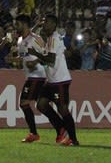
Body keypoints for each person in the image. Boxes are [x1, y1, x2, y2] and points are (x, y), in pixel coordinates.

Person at [28, 14, 79, 146]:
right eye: (43, 22)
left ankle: (73, 139)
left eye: (46, 22)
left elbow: (50, 60)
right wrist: (37, 25)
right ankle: (61, 129)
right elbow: (29, 36)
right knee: (41, 104)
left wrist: (36, 54)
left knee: (62, 109)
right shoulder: (49, 39)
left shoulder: (54, 39)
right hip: (51, 81)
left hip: (60, 80)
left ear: (53, 25)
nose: (44, 24)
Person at [10, 14, 46, 143]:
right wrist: (13, 59)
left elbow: (47, 53)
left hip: (37, 75)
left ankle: (34, 133)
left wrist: (35, 62)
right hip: (31, 76)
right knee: (42, 106)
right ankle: (61, 128)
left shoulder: (36, 38)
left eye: (18, 24)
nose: (16, 27)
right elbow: (23, 58)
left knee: (24, 103)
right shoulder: (20, 41)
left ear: (24, 24)